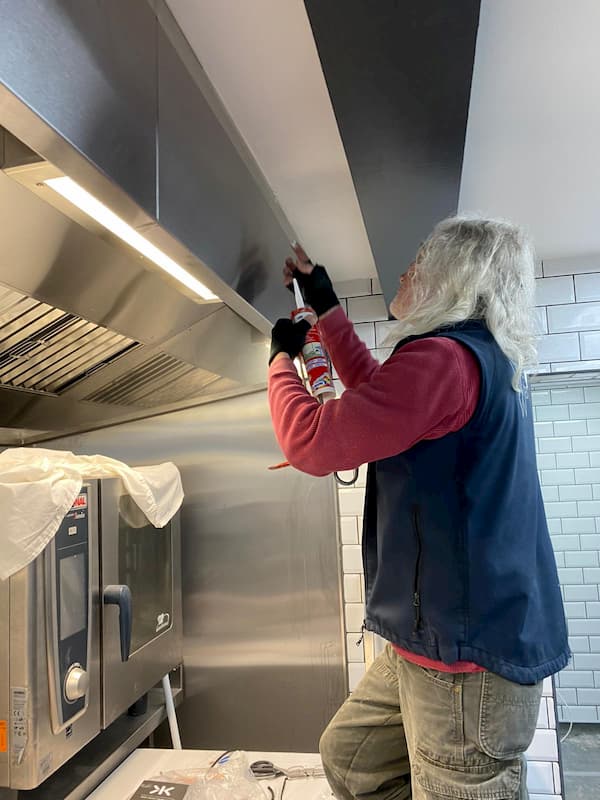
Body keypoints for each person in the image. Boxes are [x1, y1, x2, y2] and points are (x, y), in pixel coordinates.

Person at [267, 216, 570, 800]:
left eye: (421, 259)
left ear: (455, 277)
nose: (406, 270)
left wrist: (280, 360)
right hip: (442, 640)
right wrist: (326, 308)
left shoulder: (448, 360)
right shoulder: (470, 357)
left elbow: (313, 442)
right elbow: (382, 394)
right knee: (352, 758)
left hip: (465, 659)